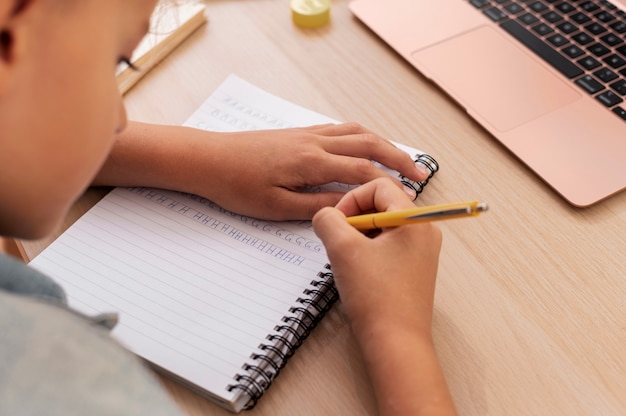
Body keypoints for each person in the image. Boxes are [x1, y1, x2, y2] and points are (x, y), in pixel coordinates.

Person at [0, 0, 456, 415]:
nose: (119, 121)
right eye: (112, 64)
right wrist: (396, 333)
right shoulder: (58, 379)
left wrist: (198, 157)